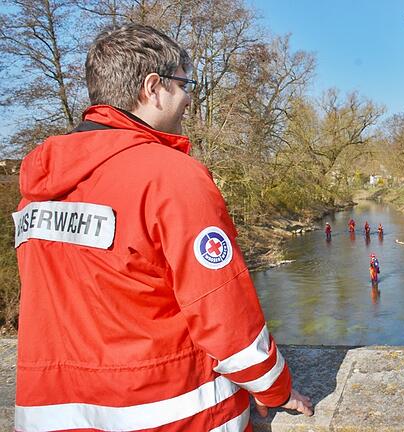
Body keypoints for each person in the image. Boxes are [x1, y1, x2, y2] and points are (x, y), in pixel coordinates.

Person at [13, 24, 312, 432]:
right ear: (153, 88)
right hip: (172, 413)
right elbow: (225, 315)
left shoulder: (38, 189)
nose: (189, 99)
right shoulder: (170, 177)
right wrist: (274, 388)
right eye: (185, 85)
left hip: (53, 415)